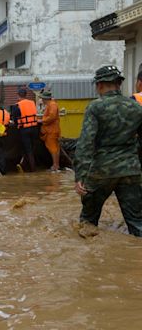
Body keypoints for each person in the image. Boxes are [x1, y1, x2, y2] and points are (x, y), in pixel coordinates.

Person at [74, 65, 142, 237]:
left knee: (88, 222)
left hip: (101, 172)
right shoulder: (136, 108)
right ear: (119, 84)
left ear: (100, 85)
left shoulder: (95, 107)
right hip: (131, 170)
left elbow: (85, 143)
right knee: (137, 223)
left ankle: (90, 261)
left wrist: (81, 176)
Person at [11, 87, 38, 172]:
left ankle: (32, 169)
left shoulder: (17, 106)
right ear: (26, 95)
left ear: (18, 95)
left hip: (24, 130)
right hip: (34, 128)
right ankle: (26, 165)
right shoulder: (32, 103)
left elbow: (15, 119)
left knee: (28, 149)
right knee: (32, 148)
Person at [39, 91, 61, 172]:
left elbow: (52, 117)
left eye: (42, 98)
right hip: (52, 130)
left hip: (52, 130)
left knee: (53, 148)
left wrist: (42, 121)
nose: (42, 100)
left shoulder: (52, 105)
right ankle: (56, 165)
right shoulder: (51, 104)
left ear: (45, 99)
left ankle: (55, 166)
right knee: (55, 148)